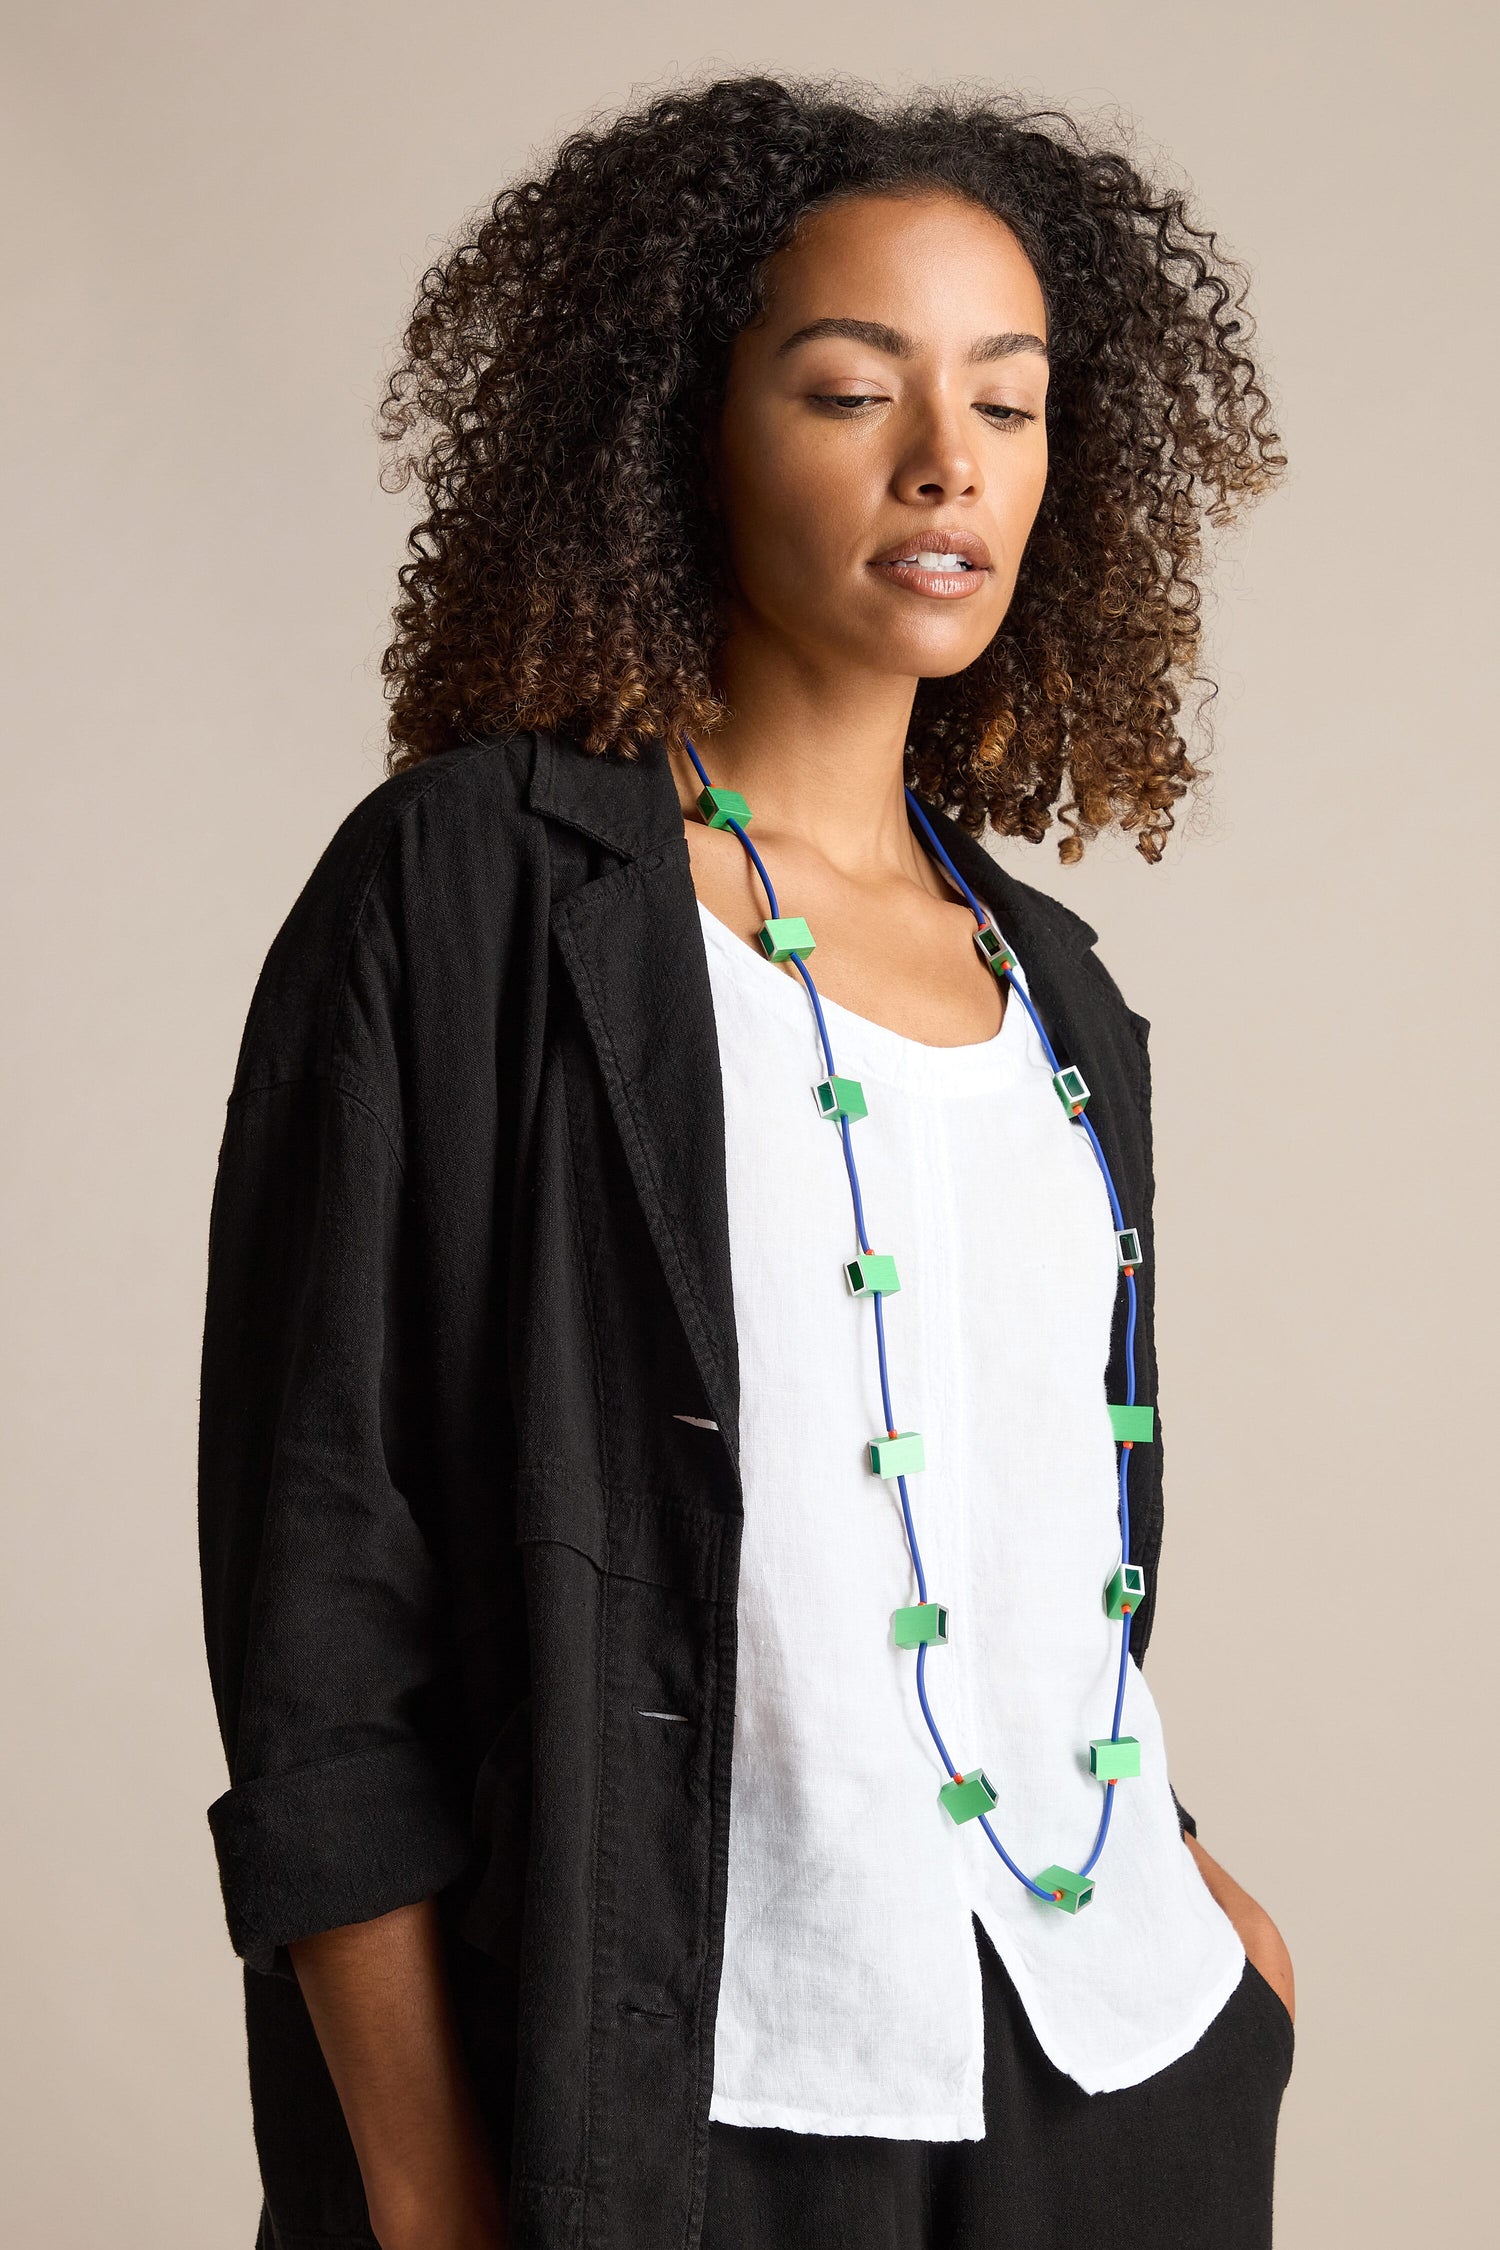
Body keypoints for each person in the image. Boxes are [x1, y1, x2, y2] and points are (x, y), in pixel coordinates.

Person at [197, 73, 1294, 2250]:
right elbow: (327, 1586)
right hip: (670, 2090)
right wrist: (424, 2189)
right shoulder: (477, 895)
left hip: (1107, 2073)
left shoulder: (1060, 994)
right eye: (846, 388)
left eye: (1011, 400)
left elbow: (1038, 1545)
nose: (943, 460)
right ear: (684, 429)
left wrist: (1206, 1917)